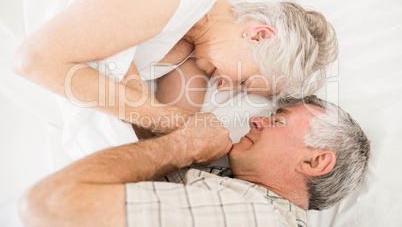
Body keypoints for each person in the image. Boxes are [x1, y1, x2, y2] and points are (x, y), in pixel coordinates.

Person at [11, 0, 338, 135]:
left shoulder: (195, 49)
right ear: (259, 35)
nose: (224, 87)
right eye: (244, 81)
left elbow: (167, 139)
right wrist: (168, 120)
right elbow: (34, 60)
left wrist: (172, 125)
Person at [18, 96, 370, 226]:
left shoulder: (251, 214)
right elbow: (166, 115)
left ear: (314, 162)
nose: (255, 120)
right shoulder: (233, 193)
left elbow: (49, 203)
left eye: (277, 121)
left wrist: (184, 146)